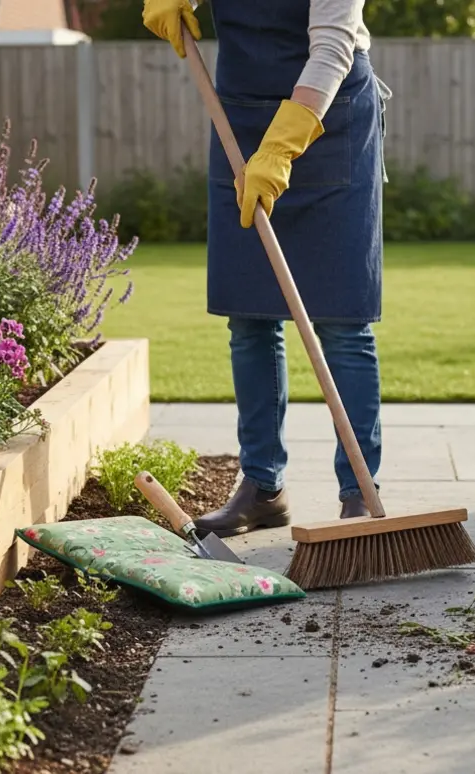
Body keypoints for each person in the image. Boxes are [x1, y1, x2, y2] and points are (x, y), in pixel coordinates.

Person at [143, 0, 389, 536]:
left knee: (343, 320)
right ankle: (262, 488)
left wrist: (279, 150)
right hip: (241, 114)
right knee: (250, 315)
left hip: (329, 118)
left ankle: (358, 492)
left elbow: (330, 49)